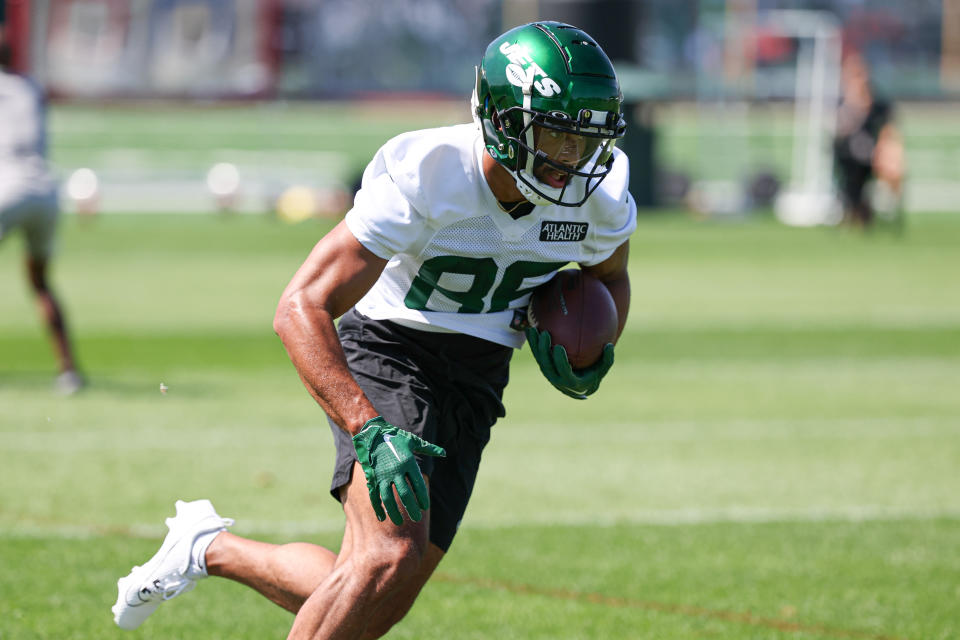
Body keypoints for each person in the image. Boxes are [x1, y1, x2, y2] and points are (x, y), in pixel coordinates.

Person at [112, 21, 636, 639]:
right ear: (500, 117)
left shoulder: (597, 195)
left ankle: (208, 549)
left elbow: (611, 277)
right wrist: (368, 427)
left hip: (480, 372)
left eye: (584, 141)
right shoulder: (430, 175)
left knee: (377, 586)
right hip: (391, 346)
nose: (570, 161)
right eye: (555, 136)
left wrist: (595, 347)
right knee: (389, 557)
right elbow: (300, 306)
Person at [0, 31, 84, 394]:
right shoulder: (31, 87)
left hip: (6, 188)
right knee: (40, 282)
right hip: (44, 189)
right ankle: (68, 372)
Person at [833, 50, 905, 228]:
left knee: (892, 163)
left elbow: (889, 129)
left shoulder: (879, 104)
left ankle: (880, 206)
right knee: (852, 173)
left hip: (876, 154)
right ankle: (856, 208)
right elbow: (840, 133)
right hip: (850, 157)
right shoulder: (844, 103)